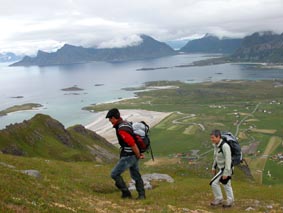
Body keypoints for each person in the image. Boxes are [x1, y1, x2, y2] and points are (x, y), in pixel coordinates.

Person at [106, 108, 145, 199]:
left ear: (113, 118)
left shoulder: (121, 129)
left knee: (114, 174)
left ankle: (126, 193)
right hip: (133, 155)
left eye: (110, 119)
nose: (109, 121)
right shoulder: (125, 123)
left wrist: (138, 154)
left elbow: (132, 143)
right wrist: (138, 154)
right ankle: (142, 195)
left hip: (129, 156)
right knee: (136, 175)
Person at [209, 129, 234, 208]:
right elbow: (216, 157)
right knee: (226, 184)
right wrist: (213, 167)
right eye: (211, 138)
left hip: (226, 169)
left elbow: (228, 160)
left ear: (218, 137)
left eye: (213, 138)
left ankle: (220, 199)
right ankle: (228, 200)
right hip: (221, 169)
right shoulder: (216, 146)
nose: (212, 139)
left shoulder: (225, 146)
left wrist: (226, 172)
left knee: (214, 183)